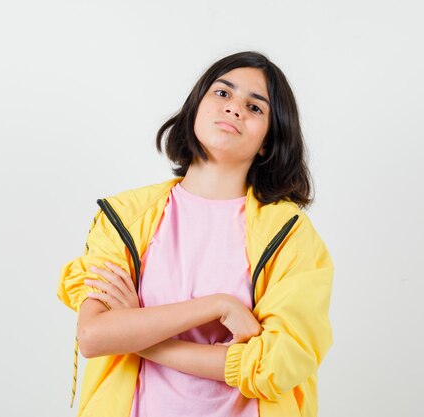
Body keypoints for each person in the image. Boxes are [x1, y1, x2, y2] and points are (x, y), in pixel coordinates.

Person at [56, 51, 335, 417]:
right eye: (223, 93)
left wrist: (138, 334)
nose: (235, 108)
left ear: (268, 140)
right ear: (195, 108)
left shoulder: (289, 235)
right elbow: (94, 337)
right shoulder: (126, 217)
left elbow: (275, 364)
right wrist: (218, 305)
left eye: (255, 108)